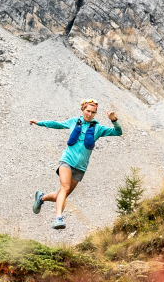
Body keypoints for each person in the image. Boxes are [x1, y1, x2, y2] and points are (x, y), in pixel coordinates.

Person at [29, 98, 122, 229]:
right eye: (87, 111)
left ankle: (41, 198)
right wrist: (39, 123)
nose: (89, 114)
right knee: (65, 188)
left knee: (62, 194)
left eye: (93, 112)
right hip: (67, 161)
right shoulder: (73, 122)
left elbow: (118, 132)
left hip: (81, 168)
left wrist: (114, 120)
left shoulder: (98, 128)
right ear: (82, 109)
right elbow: (57, 124)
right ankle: (58, 218)